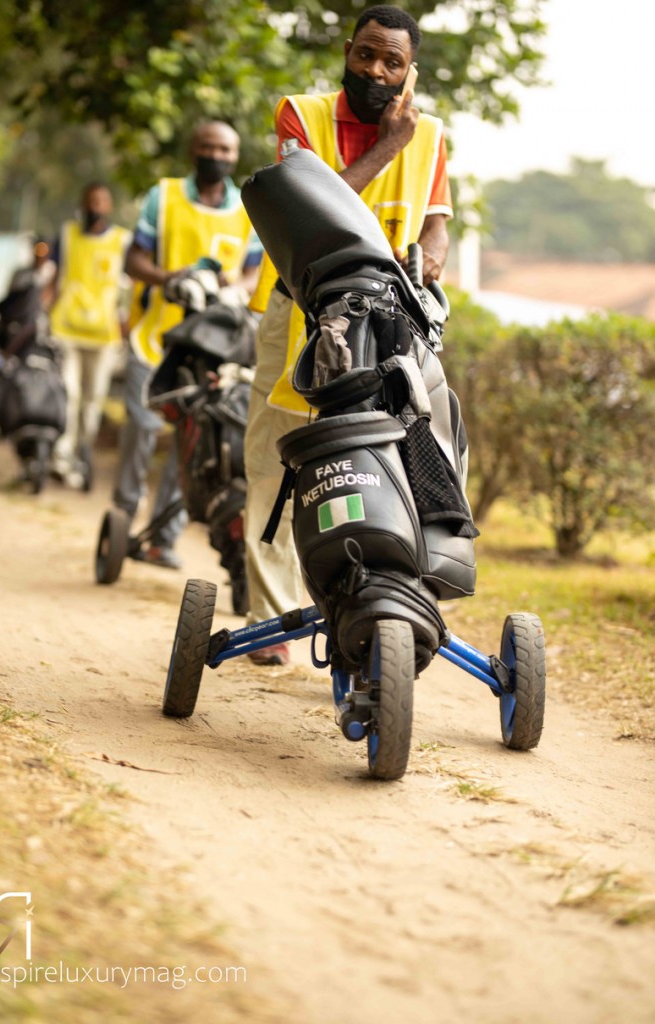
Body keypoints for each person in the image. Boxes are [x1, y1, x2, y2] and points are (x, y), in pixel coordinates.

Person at [244, 4, 454, 664]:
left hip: (389, 317)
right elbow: (308, 208)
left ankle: (374, 592)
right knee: (279, 452)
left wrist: (431, 250)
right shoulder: (300, 116)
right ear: (347, 51)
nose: (377, 71)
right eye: (367, 55)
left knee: (386, 448)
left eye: (394, 62)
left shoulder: (432, 135)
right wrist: (389, 142)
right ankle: (272, 615)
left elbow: (438, 219)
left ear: (410, 71)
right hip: (301, 307)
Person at [112, 119, 262, 569]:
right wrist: (169, 278)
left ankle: (162, 538)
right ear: (193, 150)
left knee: (192, 437)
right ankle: (123, 511)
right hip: (155, 336)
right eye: (207, 146)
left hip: (213, 345)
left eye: (225, 149)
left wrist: (236, 290)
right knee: (141, 426)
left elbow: (254, 269)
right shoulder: (164, 196)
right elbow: (134, 258)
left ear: (234, 156)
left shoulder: (247, 207)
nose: (216, 155)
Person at [49, 184, 131, 488]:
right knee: (68, 395)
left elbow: (130, 287)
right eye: (90, 201)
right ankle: (61, 456)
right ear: (83, 204)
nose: (94, 206)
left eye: (100, 201)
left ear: (108, 206)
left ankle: (83, 452)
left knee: (93, 400)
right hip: (65, 328)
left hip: (104, 334)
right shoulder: (67, 235)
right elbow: (52, 277)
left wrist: (127, 324)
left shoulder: (122, 241)